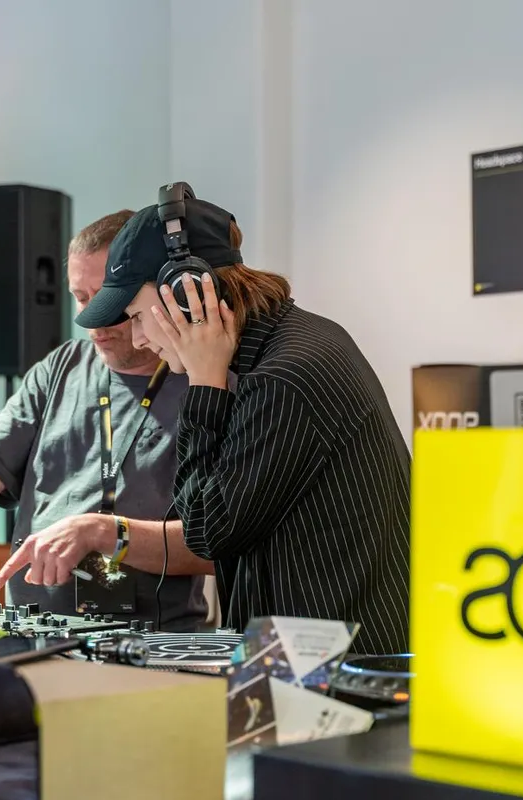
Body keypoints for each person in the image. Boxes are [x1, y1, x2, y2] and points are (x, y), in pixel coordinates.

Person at [75, 184, 410, 654]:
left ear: (186, 295)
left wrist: (204, 384)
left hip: (336, 674)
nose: (137, 337)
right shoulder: (287, 344)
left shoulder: (282, 378)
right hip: (317, 655)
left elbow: (207, 532)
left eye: (135, 316)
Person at [0, 210, 213, 630]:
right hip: (33, 631)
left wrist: (105, 531)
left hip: (152, 640)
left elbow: (217, 544)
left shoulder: (207, 381)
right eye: (80, 297)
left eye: (109, 295)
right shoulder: (61, 367)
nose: (90, 318)